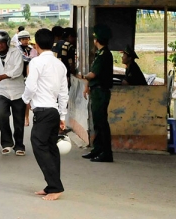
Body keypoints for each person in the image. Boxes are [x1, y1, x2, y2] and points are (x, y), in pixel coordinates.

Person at [22, 28, 69, 201]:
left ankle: (55, 186)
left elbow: (31, 86)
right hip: (54, 111)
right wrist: (62, 117)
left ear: (36, 45)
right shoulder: (60, 65)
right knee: (50, 148)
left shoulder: (35, 62)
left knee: (39, 145)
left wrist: (25, 100)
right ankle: (51, 185)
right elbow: (64, 93)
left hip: (42, 111)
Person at [77, 24, 114, 163]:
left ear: (96, 40)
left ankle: (106, 153)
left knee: (101, 123)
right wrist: (87, 86)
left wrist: (83, 77)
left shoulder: (104, 55)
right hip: (96, 90)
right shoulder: (101, 54)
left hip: (101, 92)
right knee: (97, 123)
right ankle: (97, 149)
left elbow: (93, 74)